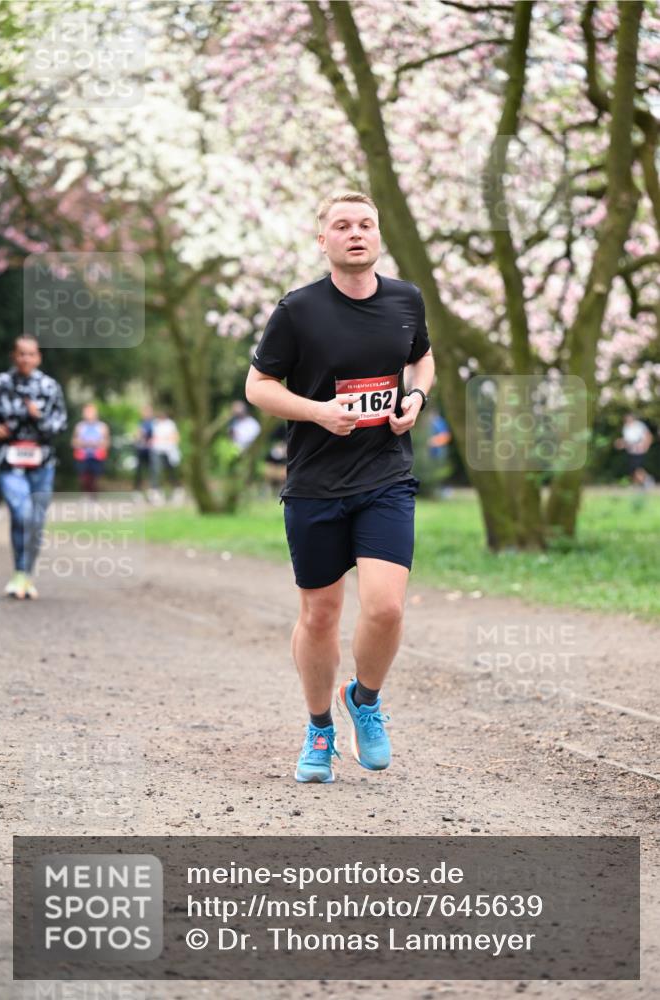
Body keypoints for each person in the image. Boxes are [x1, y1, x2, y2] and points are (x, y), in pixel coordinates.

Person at [246, 190, 434, 784]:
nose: (356, 233)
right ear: (321, 239)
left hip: (385, 475)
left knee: (384, 606)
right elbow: (258, 386)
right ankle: (320, 727)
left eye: (366, 225)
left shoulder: (407, 300)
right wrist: (318, 411)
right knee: (321, 615)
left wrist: (416, 397)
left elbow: (422, 360)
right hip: (316, 483)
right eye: (342, 225)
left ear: (379, 236)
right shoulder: (298, 310)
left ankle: (367, 701)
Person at [0, 334, 68, 599]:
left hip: (42, 462)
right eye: (21, 353)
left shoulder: (49, 387)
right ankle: (19, 573)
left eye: (31, 354)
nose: (26, 358)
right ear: (14, 356)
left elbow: (61, 424)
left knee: (36, 520)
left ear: (38, 357)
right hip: (8, 461)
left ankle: (25, 574)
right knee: (22, 512)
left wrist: (39, 418)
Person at [71, 403, 110, 496]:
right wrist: (84, 443)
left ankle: (93, 497)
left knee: (95, 478)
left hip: (97, 456)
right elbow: (73, 442)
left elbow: (107, 442)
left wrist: (96, 444)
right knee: (84, 478)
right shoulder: (80, 426)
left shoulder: (102, 426)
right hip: (83, 456)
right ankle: (85, 495)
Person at [615, 413, 654, 488]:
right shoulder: (625, 428)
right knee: (633, 469)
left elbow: (648, 436)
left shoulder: (639, 426)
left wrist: (646, 447)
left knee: (637, 468)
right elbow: (627, 441)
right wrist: (620, 444)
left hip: (639, 450)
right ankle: (640, 484)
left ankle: (648, 481)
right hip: (631, 451)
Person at [150, 409, 181, 500]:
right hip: (157, 450)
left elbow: (175, 437)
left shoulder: (170, 424)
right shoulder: (155, 423)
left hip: (169, 451)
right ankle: (155, 491)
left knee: (171, 472)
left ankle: (176, 490)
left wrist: (165, 439)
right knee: (156, 471)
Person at [133, 404, 154, 495]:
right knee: (139, 471)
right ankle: (137, 490)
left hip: (152, 451)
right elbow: (137, 436)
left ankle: (152, 490)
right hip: (141, 450)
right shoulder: (140, 423)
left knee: (152, 471)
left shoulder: (154, 423)